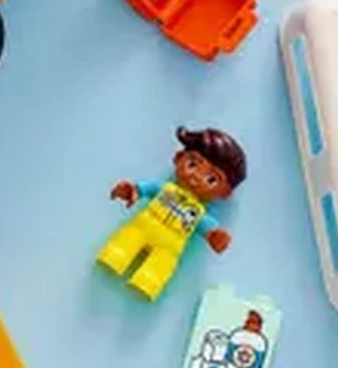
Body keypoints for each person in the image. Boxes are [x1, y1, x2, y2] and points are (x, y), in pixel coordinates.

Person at [97, 127, 247, 305]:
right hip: (142, 227)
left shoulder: (198, 212)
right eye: (193, 165)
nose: (196, 178)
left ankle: (149, 281)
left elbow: (207, 227)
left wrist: (214, 236)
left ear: (225, 193)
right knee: (127, 239)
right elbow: (144, 189)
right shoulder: (164, 188)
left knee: (162, 264)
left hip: (169, 246)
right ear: (178, 159)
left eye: (211, 180)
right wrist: (132, 191)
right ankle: (115, 255)